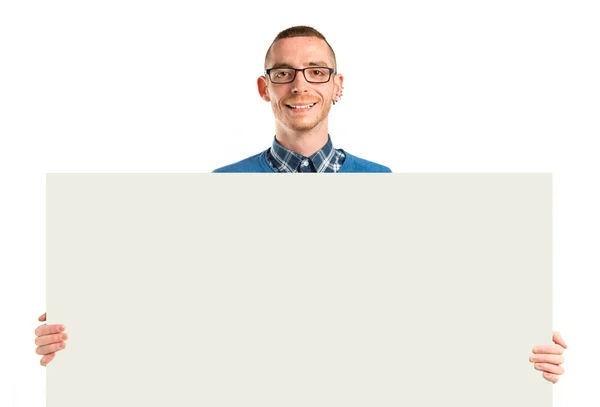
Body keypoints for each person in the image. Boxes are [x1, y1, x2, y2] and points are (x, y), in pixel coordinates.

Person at [34, 26, 568, 384]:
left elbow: (423, 305)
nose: (299, 84)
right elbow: (179, 304)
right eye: (284, 73)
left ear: (338, 86)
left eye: (316, 71)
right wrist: (84, 334)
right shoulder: (219, 190)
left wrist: (512, 337)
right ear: (264, 88)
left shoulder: (386, 188)